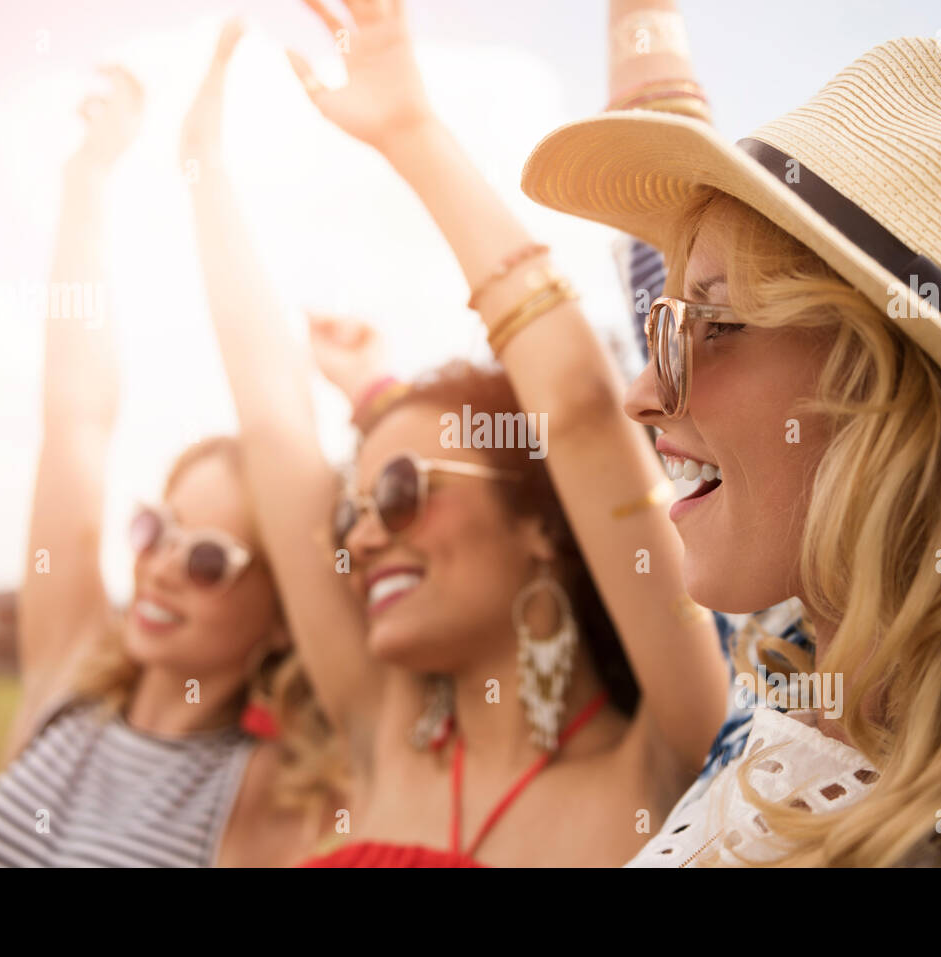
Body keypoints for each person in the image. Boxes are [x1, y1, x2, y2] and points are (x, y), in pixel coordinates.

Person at [522, 0, 941, 864]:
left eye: (717, 325)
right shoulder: (786, 660)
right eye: (666, 325)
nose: (639, 394)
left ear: (908, 391)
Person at [187, 4, 726, 867]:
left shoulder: (672, 763)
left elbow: (581, 410)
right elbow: (273, 419)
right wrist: (200, 168)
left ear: (541, 524)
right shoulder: (377, 724)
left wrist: (410, 131)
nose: (360, 537)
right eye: (352, 511)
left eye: (400, 491)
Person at [0, 58, 341, 868]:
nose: (160, 566)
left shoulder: (275, 793)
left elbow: (276, 416)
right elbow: (75, 420)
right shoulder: (70, 683)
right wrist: (88, 176)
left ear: (281, 612)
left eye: (207, 558)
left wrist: (205, 170)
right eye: (157, 528)